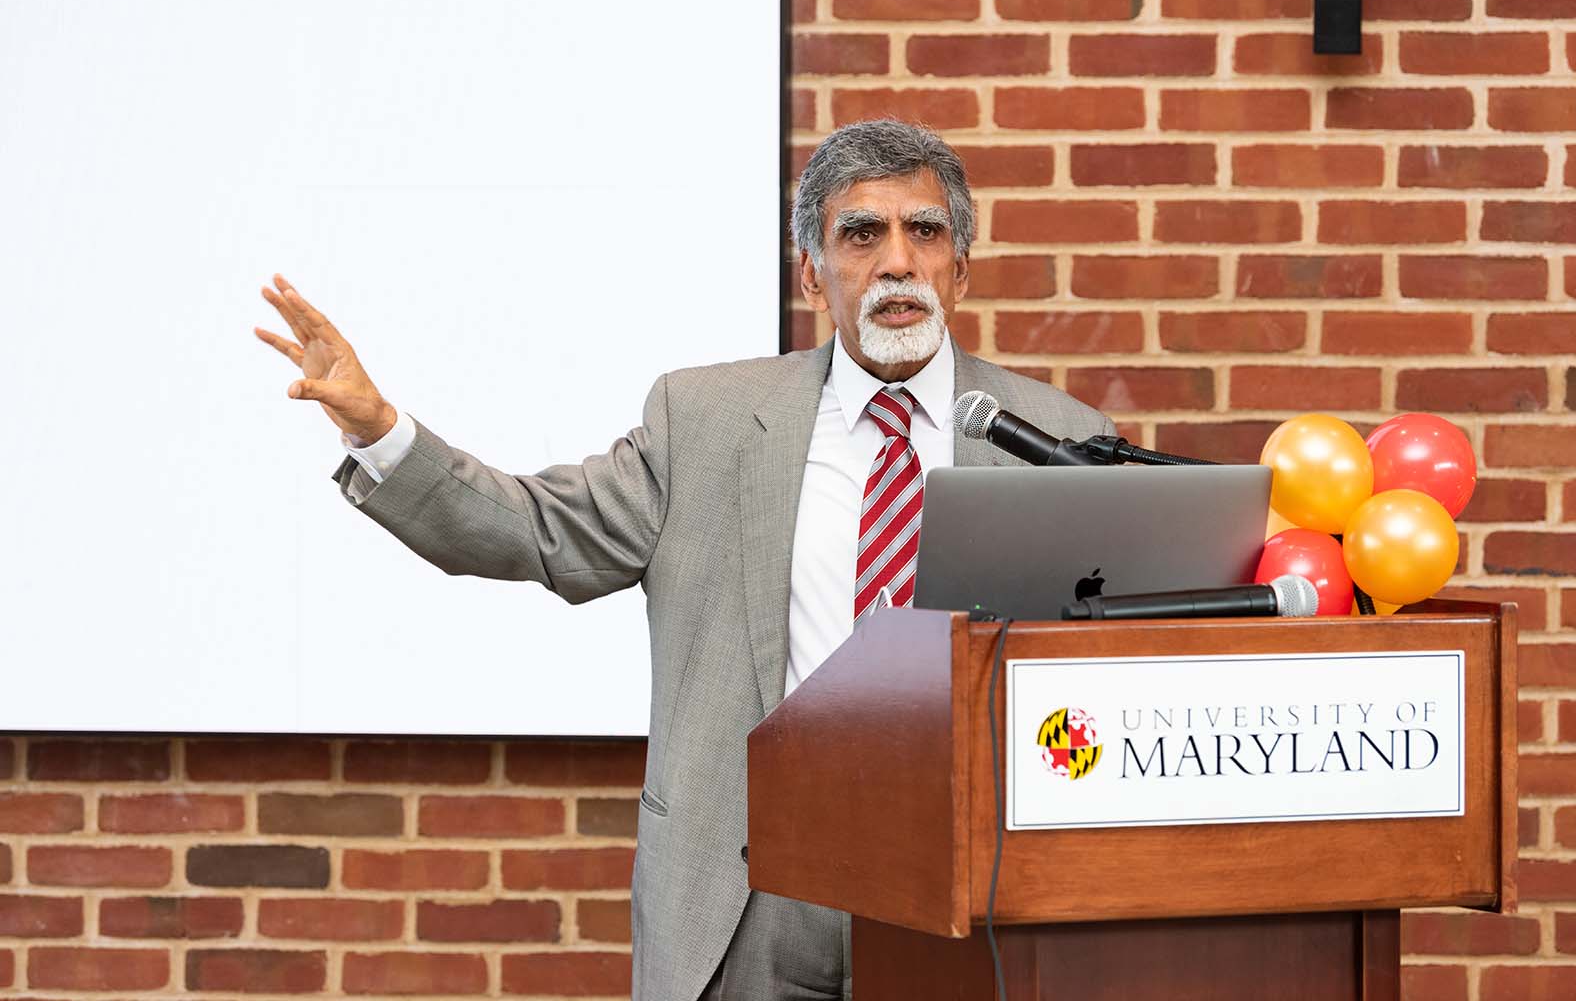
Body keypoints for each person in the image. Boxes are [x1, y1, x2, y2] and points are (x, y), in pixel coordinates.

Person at [254, 119, 1114, 1001]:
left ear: (959, 268)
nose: (897, 261)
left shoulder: (1063, 442)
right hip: (752, 887)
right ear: (813, 273)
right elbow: (537, 529)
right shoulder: (704, 420)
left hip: (970, 886)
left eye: (924, 231)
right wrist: (380, 431)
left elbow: (1108, 668)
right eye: (862, 234)